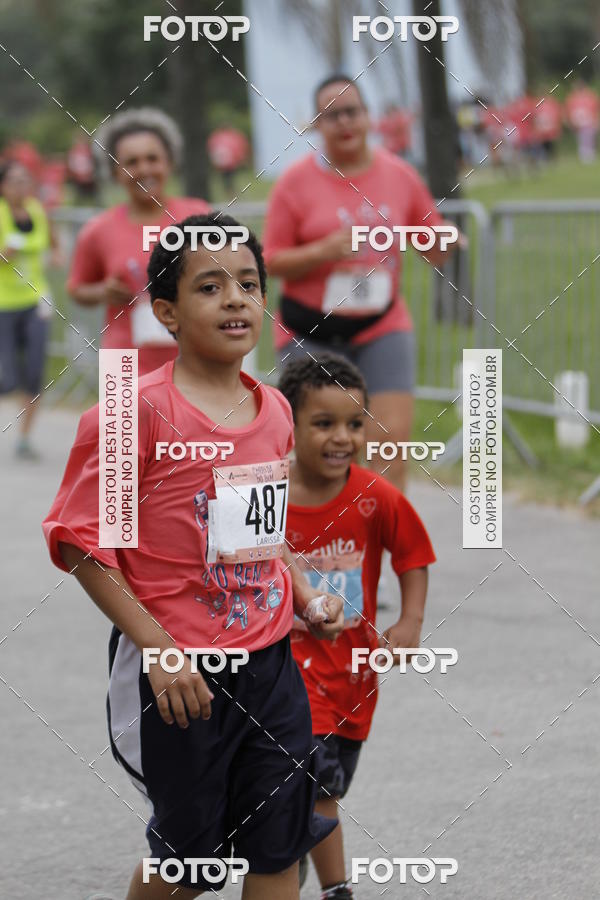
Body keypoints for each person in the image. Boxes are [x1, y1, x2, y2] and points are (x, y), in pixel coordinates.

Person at [43, 212, 344, 900]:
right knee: (192, 865)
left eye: (249, 283)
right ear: (167, 313)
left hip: (270, 666)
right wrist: (158, 647)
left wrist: (304, 595)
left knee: (278, 848)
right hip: (182, 680)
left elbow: (262, 536)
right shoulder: (132, 413)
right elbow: (87, 546)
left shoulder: (273, 408)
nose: (237, 298)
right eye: (210, 287)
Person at [278, 352, 436, 900]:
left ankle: (290, 853)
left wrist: (410, 620)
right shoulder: (264, 497)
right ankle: (333, 887)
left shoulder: (374, 496)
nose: (342, 437)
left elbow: (413, 555)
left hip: (349, 676)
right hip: (279, 673)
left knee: (326, 786)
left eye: (354, 423)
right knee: (313, 784)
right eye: (323, 424)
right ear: (288, 425)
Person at [263, 74, 460, 492]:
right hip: (310, 331)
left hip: (381, 326)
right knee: (321, 452)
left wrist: (445, 240)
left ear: (369, 117)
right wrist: (323, 250)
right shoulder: (293, 184)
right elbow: (270, 261)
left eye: (351, 111)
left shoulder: (400, 175)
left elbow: (430, 241)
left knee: (388, 445)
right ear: (316, 124)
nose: (343, 122)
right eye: (330, 116)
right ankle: (325, 552)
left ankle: (381, 551)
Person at [68, 108, 210, 376]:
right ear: (114, 171)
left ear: (169, 162)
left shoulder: (199, 216)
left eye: (153, 158)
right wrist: (102, 292)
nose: (144, 169)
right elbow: (77, 288)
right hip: (122, 364)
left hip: (195, 359)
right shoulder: (98, 230)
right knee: (120, 421)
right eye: (131, 162)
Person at [0, 160, 61, 458]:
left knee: (35, 370)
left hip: (37, 299)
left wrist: (58, 254)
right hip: (3, 303)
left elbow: (52, 239)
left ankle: (24, 438)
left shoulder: (37, 209)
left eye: (25, 180)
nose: (21, 186)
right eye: (14, 180)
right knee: (7, 378)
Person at [565, 82, 600, 164]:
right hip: (578, 124)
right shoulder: (572, 98)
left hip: (589, 122)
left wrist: (597, 121)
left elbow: (596, 109)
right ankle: (585, 156)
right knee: (581, 140)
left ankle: (589, 156)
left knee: (589, 139)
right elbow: (568, 111)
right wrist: (570, 122)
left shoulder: (590, 96)